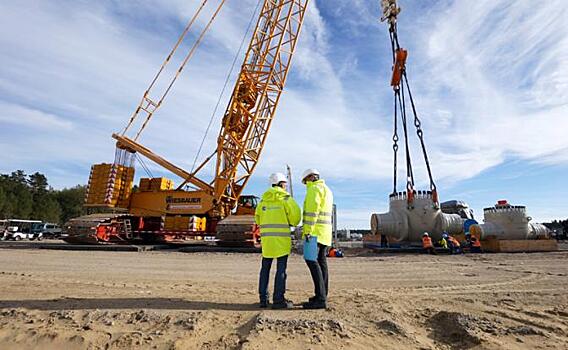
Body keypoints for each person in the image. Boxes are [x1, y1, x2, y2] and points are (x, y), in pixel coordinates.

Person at [255, 172, 301, 309]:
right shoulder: (286, 200)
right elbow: (296, 219)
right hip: (281, 241)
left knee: (265, 269)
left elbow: (257, 219)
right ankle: (278, 300)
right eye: (285, 184)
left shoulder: (263, 201)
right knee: (281, 270)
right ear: (281, 184)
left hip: (267, 241)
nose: (286, 186)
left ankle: (263, 299)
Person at [301, 168, 334, 309]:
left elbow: (312, 212)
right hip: (325, 233)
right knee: (321, 262)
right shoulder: (327, 189)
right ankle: (322, 295)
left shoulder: (314, 189)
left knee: (311, 261)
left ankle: (320, 299)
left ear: (309, 178)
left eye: (305, 181)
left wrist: (307, 231)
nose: (305, 184)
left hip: (314, 233)